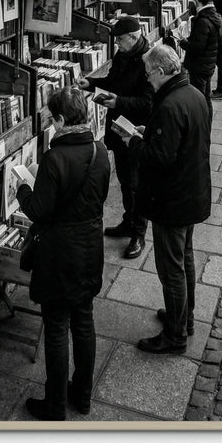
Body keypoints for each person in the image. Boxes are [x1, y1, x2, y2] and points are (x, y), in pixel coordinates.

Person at [16, 86, 111, 420]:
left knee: (56, 327)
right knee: (83, 321)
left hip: (59, 252)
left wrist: (23, 190)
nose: (52, 126)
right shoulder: (100, 151)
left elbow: (40, 211)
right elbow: (99, 197)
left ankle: (55, 404)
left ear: (59, 119)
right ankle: (82, 395)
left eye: (52, 120)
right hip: (89, 247)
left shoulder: (55, 158)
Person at [129, 45, 211, 354]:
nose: (147, 79)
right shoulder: (193, 94)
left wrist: (135, 142)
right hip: (191, 194)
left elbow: (158, 158)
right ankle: (183, 317)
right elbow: (181, 140)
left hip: (172, 200)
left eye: (149, 74)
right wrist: (149, 130)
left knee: (171, 269)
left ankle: (175, 335)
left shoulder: (170, 104)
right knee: (184, 259)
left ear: (162, 72)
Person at [80, 16, 152, 260]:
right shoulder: (123, 55)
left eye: (120, 40)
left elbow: (148, 102)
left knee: (137, 184)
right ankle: (128, 221)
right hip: (118, 128)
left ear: (134, 36)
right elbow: (113, 82)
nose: (117, 45)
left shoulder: (148, 61)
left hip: (136, 131)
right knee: (124, 180)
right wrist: (90, 83)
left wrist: (119, 101)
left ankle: (138, 233)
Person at [179, 0, 222, 104]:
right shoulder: (213, 16)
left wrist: (183, 43)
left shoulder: (202, 20)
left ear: (197, 1)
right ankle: (207, 121)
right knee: (206, 98)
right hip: (208, 64)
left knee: (199, 99)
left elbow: (197, 47)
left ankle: (201, 121)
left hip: (199, 66)